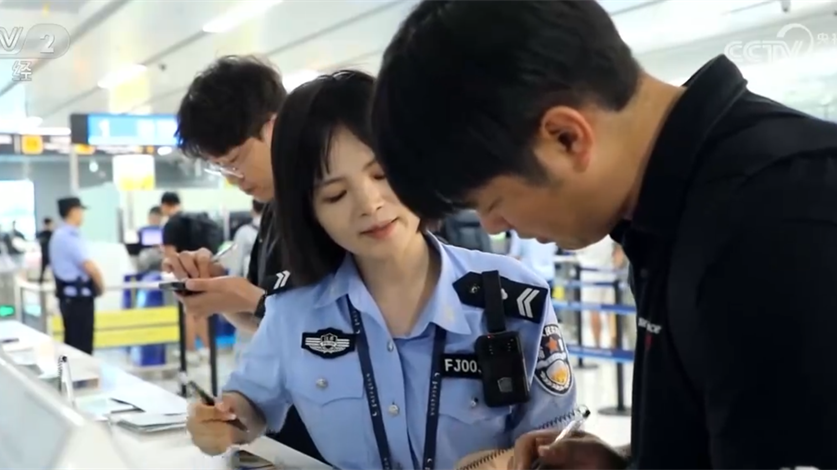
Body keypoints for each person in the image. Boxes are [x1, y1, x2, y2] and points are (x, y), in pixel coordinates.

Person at [371, 2, 837, 470]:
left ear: (566, 137)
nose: (493, 227)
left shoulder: (784, 229)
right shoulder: (673, 213)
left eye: (491, 203)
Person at [185, 70, 578, 470]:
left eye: (382, 175)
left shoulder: (513, 299)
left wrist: (504, 462)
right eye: (336, 194)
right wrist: (224, 422)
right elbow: (251, 404)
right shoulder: (294, 308)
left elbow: (561, 443)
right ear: (310, 213)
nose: (369, 204)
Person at [164, 55, 322, 461]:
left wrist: (246, 296)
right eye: (221, 170)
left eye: (234, 163)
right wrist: (219, 295)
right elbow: (269, 329)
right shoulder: (273, 211)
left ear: (273, 127)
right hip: (289, 429)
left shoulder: (329, 206)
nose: (235, 181)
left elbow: (345, 331)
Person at [160, 191, 212, 364]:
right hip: (202, 270)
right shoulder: (194, 220)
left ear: (165, 205)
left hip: (183, 272)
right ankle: (207, 349)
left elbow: (170, 255)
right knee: (202, 311)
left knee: (188, 311)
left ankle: (190, 351)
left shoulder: (171, 224)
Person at [49, 197, 103, 355]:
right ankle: (76, 372)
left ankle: (70, 371)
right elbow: (89, 266)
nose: (82, 215)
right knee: (81, 347)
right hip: (78, 300)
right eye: (80, 211)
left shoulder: (60, 235)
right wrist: (101, 287)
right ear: (73, 212)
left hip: (70, 298)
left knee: (73, 344)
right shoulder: (68, 237)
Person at [36, 218, 55, 283]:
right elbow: (39, 242)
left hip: (51, 254)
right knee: (43, 270)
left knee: (54, 270)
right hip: (45, 254)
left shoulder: (52, 234)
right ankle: (40, 282)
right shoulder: (42, 234)